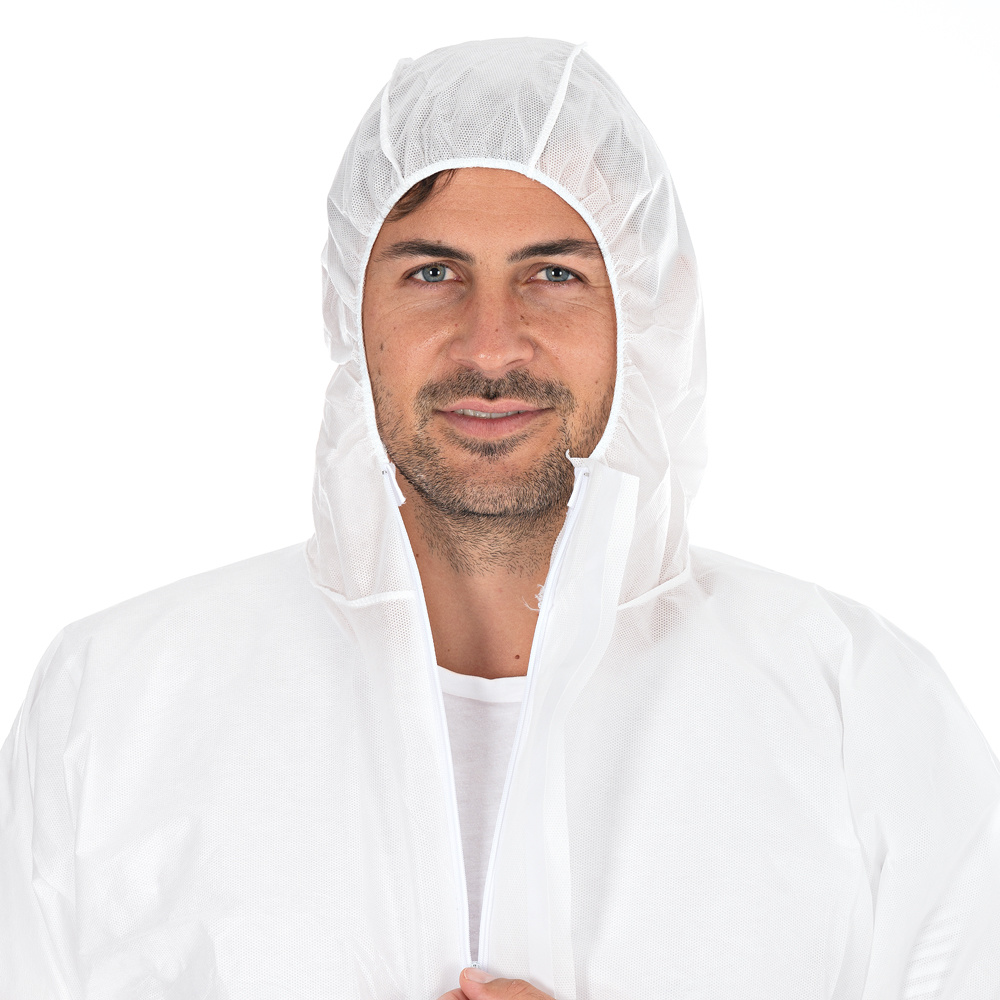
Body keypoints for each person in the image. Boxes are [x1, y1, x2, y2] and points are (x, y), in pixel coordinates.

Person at [2, 36, 998, 1000]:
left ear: (645, 309)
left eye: (554, 274)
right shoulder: (115, 707)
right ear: (350, 310)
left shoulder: (854, 709)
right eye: (432, 272)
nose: (490, 346)